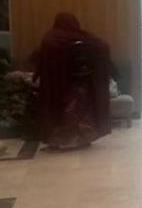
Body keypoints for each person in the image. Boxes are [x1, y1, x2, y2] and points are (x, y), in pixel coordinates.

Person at [32, 12, 113, 150]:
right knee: (80, 113)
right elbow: (104, 47)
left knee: (62, 113)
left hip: (57, 85)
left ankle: (63, 142)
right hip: (81, 85)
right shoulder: (85, 38)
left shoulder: (50, 38)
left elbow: (42, 60)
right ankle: (81, 139)